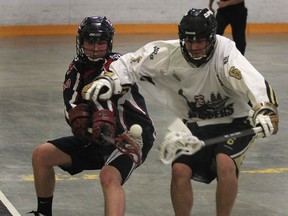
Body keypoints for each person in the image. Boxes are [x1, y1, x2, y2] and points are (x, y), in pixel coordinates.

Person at [81, 8, 279, 216]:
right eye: (188, 41)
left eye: (200, 41)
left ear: (211, 38)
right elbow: (132, 63)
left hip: (236, 120)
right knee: (179, 171)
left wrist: (264, 108)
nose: (193, 47)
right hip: (194, 122)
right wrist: (109, 79)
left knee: (225, 163)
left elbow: (252, 81)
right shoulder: (170, 53)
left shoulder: (226, 54)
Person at [29, 16, 155, 216]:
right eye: (90, 42)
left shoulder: (118, 66)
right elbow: (71, 105)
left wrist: (102, 124)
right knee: (42, 155)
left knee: (109, 176)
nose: (95, 48)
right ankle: (44, 213)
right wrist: (80, 122)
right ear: (81, 42)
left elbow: (106, 101)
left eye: (101, 42)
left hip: (131, 137)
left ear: (109, 43)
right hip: (98, 136)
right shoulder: (76, 68)